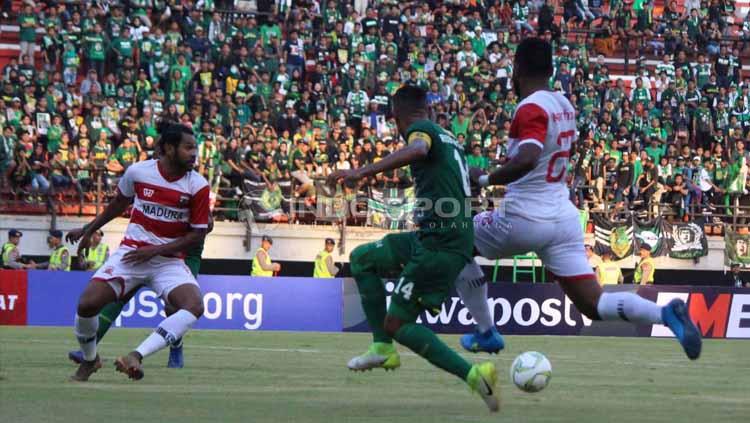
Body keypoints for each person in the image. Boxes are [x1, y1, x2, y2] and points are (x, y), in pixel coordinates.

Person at [455, 38, 701, 363]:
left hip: (525, 217)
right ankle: (665, 314)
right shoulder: (564, 104)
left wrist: (484, 179)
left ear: (516, 70)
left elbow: (528, 158)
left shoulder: (530, 107)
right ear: (552, 69)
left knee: (454, 242)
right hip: (562, 217)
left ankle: (485, 331)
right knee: (594, 305)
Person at [327, 85, 499, 412]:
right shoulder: (449, 137)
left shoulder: (420, 132)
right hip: (434, 235)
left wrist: (361, 172)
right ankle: (382, 348)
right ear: (427, 109)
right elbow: (471, 175)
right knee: (362, 259)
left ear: (397, 118)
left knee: (398, 324)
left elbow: (418, 150)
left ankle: (476, 375)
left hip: (442, 243)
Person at [65, 121, 210, 382]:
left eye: (195, 149)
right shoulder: (138, 172)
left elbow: (198, 233)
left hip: (167, 261)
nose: (194, 154)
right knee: (87, 304)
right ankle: (90, 360)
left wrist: (155, 250)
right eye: (188, 148)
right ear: (169, 148)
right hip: (131, 255)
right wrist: (88, 229)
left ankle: (136, 355)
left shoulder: (198, 185)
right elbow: (118, 204)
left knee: (194, 305)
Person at [67, 217, 214, 369]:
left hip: (183, 255)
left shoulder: (192, 195)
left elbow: (207, 223)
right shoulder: (151, 196)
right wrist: (86, 229)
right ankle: (90, 349)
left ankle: (176, 347)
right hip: (147, 247)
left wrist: (194, 223)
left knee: (175, 307)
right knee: (117, 299)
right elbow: (121, 202)